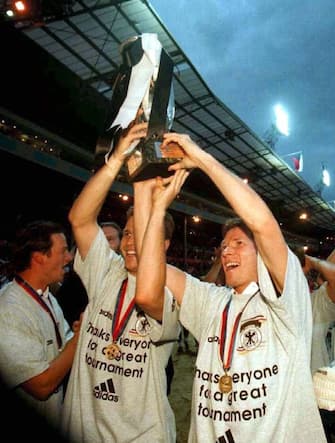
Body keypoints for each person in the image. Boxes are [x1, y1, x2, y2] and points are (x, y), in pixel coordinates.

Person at [135, 132, 327, 442]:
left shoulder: (285, 303)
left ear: (261, 255)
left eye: (238, 243)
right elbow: (150, 268)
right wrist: (155, 207)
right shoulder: (211, 300)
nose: (226, 252)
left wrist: (202, 159)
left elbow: (263, 224)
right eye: (223, 246)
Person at [61, 121, 180, 443]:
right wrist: (115, 160)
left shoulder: (174, 290)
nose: (130, 242)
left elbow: (145, 298)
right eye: (127, 234)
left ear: (163, 243)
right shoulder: (107, 269)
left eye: (139, 234)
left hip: (142, 435)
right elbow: (80, 220)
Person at [0, 220, 81, 433]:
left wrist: (76, 334)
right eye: (63, 251)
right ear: (39, 257)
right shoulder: (8, 309)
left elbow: (65, 347)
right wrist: (81, 337)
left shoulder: (47, 296)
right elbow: (42, 386)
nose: (69, 257)